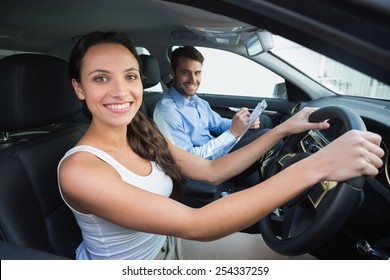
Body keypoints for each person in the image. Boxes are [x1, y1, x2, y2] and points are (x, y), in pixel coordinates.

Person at [57, 31, 384, 260]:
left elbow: (211, 171)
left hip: (170, 245)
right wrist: (318, 165)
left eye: (129, 76)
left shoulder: (139, 131)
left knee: (300, 261)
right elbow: (196, 224)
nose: (121, 91)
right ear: (79, 88)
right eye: (101, 78)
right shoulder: (80, 170)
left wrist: (283, 129)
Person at [153, 46, 279, 187]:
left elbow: (218, 123)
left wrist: (242, 122)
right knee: (272, 139)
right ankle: (274, 190)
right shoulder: (167, 111)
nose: (193, 79)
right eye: (185, 73)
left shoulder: (197, 102)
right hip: (211, 167)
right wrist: (232, 133)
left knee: (264, 122)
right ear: (173, 72)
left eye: (197, 73)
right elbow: (190, 159)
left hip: (220, 151)